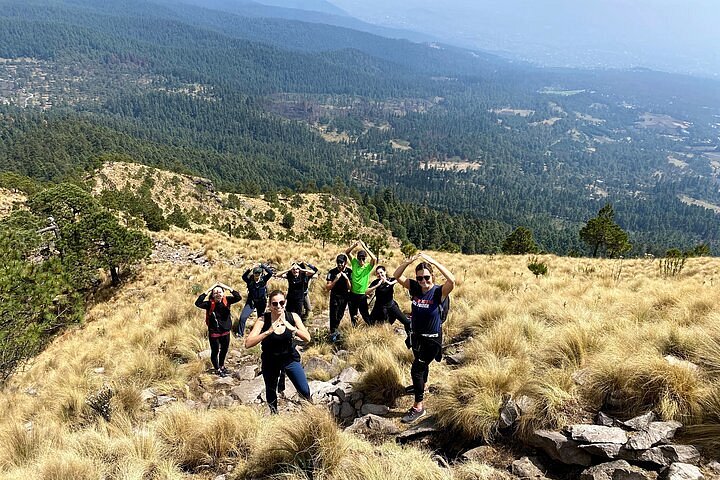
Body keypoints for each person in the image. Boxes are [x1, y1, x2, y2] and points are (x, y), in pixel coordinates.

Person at [393, 253, 455, 423]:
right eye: (420, 278)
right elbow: (396, 276)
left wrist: (434, 262)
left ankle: (418, 406)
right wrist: (409, 262)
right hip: (416, 337)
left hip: (432, 340)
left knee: (417, 369)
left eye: (426, 277)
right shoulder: (414, 288)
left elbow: (452, 281)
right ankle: (422, 386)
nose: (423, 281)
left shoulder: (438, 292)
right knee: (421, 365)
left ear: (432, 276)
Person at [244, 290, 311, 413]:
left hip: (289, 359)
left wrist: (292, 329)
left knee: (304, 390)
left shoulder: (293, 317)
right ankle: (274, 415)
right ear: (269, 305)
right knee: (271, 390)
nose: (279, 306)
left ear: (285, 303)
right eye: (275, 304)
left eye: (281, 302)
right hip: (270, 361)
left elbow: (307, 338)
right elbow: (248, 343)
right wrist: (268, 332)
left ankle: (312, 414)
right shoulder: (263, 320)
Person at [195, 283, 242, 377]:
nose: (218, 294)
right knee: (215, 351)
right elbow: (198, 303)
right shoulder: (209, 304)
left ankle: (222, 366)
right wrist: (209, 289)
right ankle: (217, 369)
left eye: (220, 292)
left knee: (224, 350)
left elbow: (238, 297)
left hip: (226, 331)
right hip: (214, 332)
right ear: (212, 295)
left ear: (223, 293)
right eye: (215, 292)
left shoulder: (227, 300)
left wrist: (227, 287)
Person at [365, 265, 410, 329]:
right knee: (370, 323)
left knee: (406, 322)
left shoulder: (391, 279)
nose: (380, 275)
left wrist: (389, 283)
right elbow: (366, 292)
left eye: (381, 272)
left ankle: (410, 336)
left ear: (385, 272)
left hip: (391, 305)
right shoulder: (376, 282)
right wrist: (377, 285)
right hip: (378, 306)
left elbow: (401, 278)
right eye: (378, 273)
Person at [345, 240, 377, 325]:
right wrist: (353, 246)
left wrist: (365, 247)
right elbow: (347, 252)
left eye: (363, 258)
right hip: (353, 294)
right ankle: (354, 330)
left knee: (365, 314)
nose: (361, 260)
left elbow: (374, 258)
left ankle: (370, 327)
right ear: (357, 258)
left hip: (362, 295)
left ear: (365, 258)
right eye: (360, 258)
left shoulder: (368, 267)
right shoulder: (354, 263)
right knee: (353, 314)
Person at [238, 263, 274, 336]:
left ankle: (261, 332)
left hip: (261, 302)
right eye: (256, 273)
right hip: (251, 302)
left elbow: (270, 273)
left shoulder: (263, 280)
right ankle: (240, 334)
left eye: (259, 273)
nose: (257, 274)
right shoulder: (249, 281)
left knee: (260, 318)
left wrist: (262, 265)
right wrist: (250, 269)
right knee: (243, 317)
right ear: (253, 273)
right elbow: (243, 276)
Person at [326, 253, 353, 342]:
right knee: (333, 315)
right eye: (338, 262)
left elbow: (350, 288)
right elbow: (328, 288)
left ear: (345, 263)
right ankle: (333, 334)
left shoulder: (349, 272)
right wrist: (335, 280)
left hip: (345, 297)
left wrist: (346, 279)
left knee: (340, 315)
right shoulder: (332, 272)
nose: (340, 264)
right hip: (334, 296)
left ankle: (335, 332)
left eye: (342, 262)